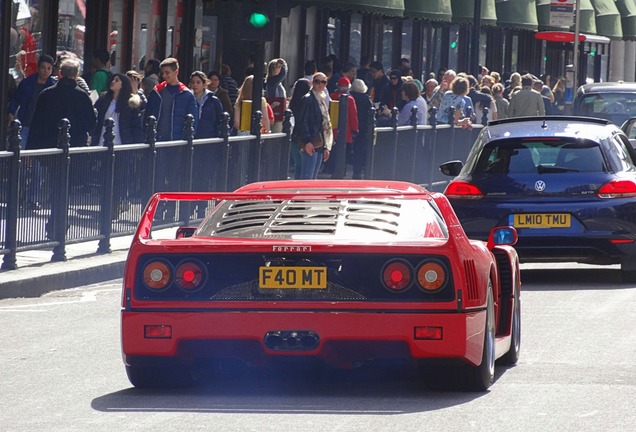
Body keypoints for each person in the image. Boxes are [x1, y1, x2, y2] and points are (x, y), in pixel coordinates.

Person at [27, 58, 97, 149]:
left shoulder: (46, 94)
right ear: (76, 75)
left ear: (60, 74)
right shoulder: (83, 96)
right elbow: (90, 125)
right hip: (76, 148)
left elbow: (36, 124)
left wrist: (30, 148)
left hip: (49, 148)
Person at [145, 57, 198, 141]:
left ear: (176, 72)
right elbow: (147, 115)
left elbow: (193, 121)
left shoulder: (187, 95)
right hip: (157, 140)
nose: (164, 76)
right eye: (162, 73)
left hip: (177, 142)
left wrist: (186, 140)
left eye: (167, 72)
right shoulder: (156, 91)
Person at [8, 54, 56, 147]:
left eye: (49, 68)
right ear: (38, 68)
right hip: (26, 123)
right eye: (43, 67)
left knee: (38, 153)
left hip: (43, 127)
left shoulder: (53, 86)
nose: (45, 71)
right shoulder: (27, 83)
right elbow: (16, 99)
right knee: (21, 151)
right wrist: (11, 112)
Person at [297, 72, 333, 179]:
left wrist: (326, 146)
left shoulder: (321, 100)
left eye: (323, 82)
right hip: (311, 141)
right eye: (317, 81)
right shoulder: (308, 99)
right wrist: (307, 141)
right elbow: (303, 121)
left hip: (319, 142)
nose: (320, 85)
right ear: (312, 82)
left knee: (313, 177)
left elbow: (324, 124)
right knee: (307, 176)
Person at [92, 73, 144, 145]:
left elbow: (136, 126)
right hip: (102, 141)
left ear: (123, 85)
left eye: (116, 80)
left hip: (121, 143)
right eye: (112, 80)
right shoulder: (103, 98)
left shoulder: (130, 102)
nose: (113, 81)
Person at [328, 77, 359, 176]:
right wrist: (355, 129)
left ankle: (331, 169)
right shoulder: (350, 99)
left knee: (333, 152)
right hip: (347, 132)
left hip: (332, 130)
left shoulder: (331, 96)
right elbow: (353, 116)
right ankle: (342, 171)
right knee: (344, 154)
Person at [189, 71, 224, 139]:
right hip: (192, 137)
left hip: (209, 138)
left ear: (204, 84)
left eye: (198, 82)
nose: (195, 85)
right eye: (193, 82)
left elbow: (220, 120)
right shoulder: (187, 99)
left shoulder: (213, 100)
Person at [289, 78, 312, 179]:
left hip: (294, 136)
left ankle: (296, 180)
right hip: (303, 137)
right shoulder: (307, 102)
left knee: (298, 164)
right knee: (303, 165)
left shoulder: (292, 103)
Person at [349, 78, 372, 179]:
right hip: (363, 128)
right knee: (360, 150)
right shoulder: (366, 99)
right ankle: (358, 172)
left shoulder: (350, 97)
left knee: (350, 149)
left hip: (351, 127)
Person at [265, 58, 288, 133]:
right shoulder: (272, 81)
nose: (280, 69)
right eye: (279, 67)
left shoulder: (275, 82)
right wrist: (283, 63)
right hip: (276, 113)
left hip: (279, 112)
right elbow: (283, 74)